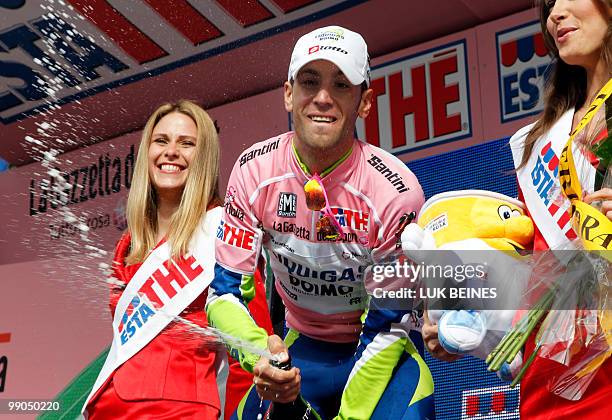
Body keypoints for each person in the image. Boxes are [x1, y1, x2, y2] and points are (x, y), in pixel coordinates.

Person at [206, 26, 435, 419]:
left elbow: (390, 321)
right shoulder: (252, 171)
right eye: (310, 81)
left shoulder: (395, 191)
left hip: (381, 355)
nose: (323, 99)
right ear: (288, 93)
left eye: (341, 85)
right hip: (300, 353)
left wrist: (350, 414)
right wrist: (260, 357)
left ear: (365, 102)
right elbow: (224, 294)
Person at [423, 1, 612, 418]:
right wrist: (467, 322)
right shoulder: (540, 140)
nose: (556, 13)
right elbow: (533, 267)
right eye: (548, 5)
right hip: (547, 376)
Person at [83, 100, 272, 419]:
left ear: (204, 157)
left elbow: (251, 351)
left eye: (186, 143)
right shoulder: (128, 244)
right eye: (161, 141)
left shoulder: (224, 231)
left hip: (177, 412)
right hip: (108, 410)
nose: (171, 151)